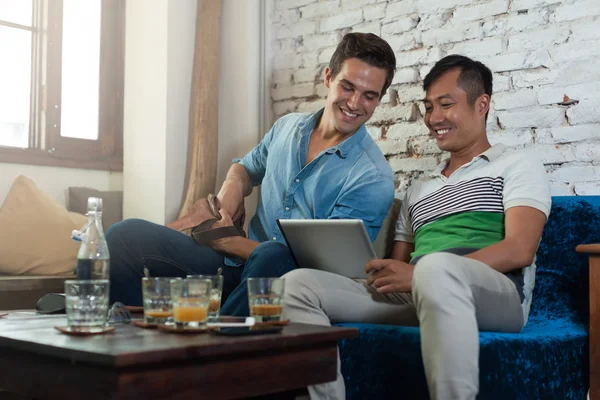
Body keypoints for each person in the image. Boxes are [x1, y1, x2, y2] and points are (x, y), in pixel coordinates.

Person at [281, 54, 551, 400]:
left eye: (445, 105)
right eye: (427, 107)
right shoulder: (419, 189)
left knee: (435, 269)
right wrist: (383, 271)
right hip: (421, 289)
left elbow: (520, 248)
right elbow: (400, 266)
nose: (433, 118)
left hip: (495, 294)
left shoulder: (517, 165)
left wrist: (421, 274)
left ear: (481, 104)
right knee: (295, 285)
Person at [106, 32, 397, 316]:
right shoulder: (287, 128)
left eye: (369, 96)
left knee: (274, 254)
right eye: (347, 87)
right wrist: (233, 186)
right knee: (124, 235)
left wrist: (227, 241)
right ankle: (130, 351)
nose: (355, 103)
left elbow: (327, 268)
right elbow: (245, 168)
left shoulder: (373, 178)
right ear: (328, 77)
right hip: (231, 266)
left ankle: (214, 348)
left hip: (283, 280)